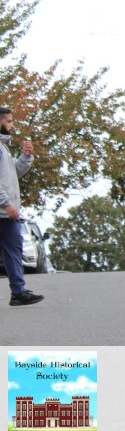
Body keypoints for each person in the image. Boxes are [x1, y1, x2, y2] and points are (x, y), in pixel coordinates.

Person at [0, 106, 43, 306]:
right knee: (13, 249)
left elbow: (11, 175)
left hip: (8, 214)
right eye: (9, 121)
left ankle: (18, 292)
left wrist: (25, 157)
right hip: (5, 209)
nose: (12, 125)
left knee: (14, 250)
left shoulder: (4, 148)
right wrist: (6, 203)